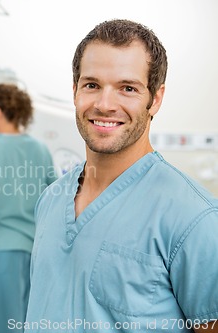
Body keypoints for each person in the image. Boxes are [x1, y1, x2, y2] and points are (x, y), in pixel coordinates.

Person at [25, 19, 218, 333]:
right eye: (92, 85)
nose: (104, 105)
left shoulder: (194, 218)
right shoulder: (50, 199)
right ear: (74, 91)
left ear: (155, 98)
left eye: (127, 88)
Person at [0, 84, 57, 332]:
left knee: (4, 325)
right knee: (28, 322)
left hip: (1, 251)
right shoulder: (40, 149)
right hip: (35, 250)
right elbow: (55, 198)